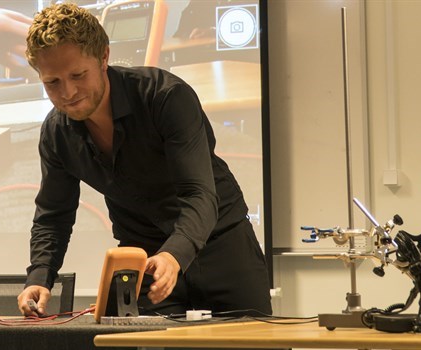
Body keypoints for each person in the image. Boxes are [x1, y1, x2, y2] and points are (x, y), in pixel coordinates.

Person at [16, 2, 272, 317]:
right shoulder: (56, 134)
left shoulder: (165, 98)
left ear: (104, 57)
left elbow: (199, 194)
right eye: (52, 82)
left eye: (78, 75)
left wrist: (174, 255)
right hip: (144, 258)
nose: (67, 92)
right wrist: (40, 277)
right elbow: (53, 215)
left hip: (221, 246)